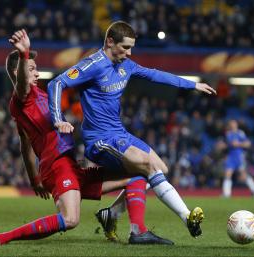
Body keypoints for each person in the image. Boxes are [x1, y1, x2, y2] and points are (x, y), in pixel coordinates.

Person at [0, 29, 173, 246]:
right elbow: (21, 84)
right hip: (58, 167)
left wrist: (34, 179)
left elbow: (25, 145)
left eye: (36, 68)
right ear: (16, 71)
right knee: (70, 219)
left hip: (70, 167)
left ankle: (137, 231)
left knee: (138, 174)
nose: (37, 73)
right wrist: (23, 55)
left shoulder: (39, 98)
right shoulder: (22, 99)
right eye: (32, 69)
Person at [48, 21, 217, 239]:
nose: (129, 53)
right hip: (100, 139)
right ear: (110, 41)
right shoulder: (94, 64)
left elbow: (155, 75)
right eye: (125, 47)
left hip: (120, 134)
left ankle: (112, 213)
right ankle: (185, 218)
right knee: (148, 167)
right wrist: (58, 119)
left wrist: (192, 84)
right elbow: (56, 84)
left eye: (131, 48)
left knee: (159, 168)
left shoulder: (126, 65)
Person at [222, 119, 254, 197]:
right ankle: (226, 194)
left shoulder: (240, 133)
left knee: (243, 175)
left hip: (239, 156)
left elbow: (248, 144)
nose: (232, 125)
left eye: (234, 123)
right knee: (228, 174)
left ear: (236, 124)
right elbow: (230, 144)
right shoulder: (228, 134)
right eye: (231, 124)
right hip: (231, 157)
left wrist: (239, 144)